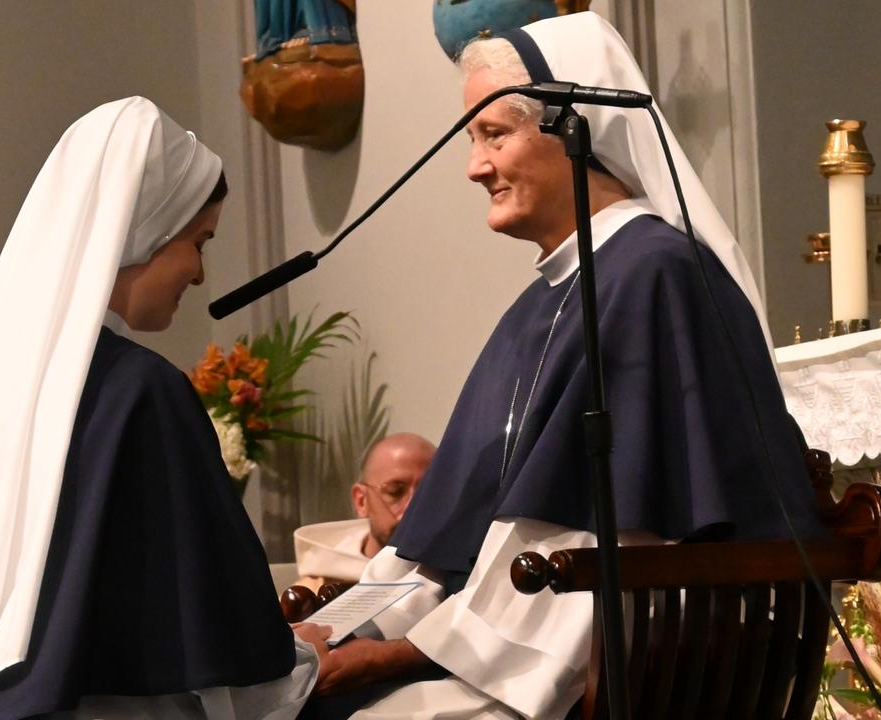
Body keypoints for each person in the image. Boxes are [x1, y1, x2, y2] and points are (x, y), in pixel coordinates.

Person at [297, 12, 824, 719]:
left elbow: (583, 558)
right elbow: (427, 551)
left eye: (494, 135)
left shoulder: (652, 280)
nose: (475, 167)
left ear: (576, 129)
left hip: (585, 682)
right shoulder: (542, 303)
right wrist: (322, 630)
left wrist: (394, 653)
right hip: (494, 654)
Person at [0, 97, 317, 720]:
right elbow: (226, 651)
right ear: (145, 229)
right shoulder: (141, 391)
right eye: (199, 241)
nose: (198, 274)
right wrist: (307, 660)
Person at [292, 434, 435, 592]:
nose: (412, 508)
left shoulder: (456, 580)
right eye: (395, 491)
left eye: (428, 492)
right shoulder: (314, 591)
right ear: (361, 501)